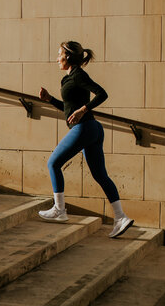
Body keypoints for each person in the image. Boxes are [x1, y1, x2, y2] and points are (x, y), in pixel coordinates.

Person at [38, 41, 134, 238]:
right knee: (100, 176)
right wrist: (50, 100)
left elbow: (102, 94)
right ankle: (120, 217)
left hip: (85, 128)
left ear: (69, 57)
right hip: (92, 130)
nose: (57, 58)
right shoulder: (70, 78)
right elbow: (68, 111)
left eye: (59, 55)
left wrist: (83, 109)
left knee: (53, 163)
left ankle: (59, 209)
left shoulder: (79, 75)